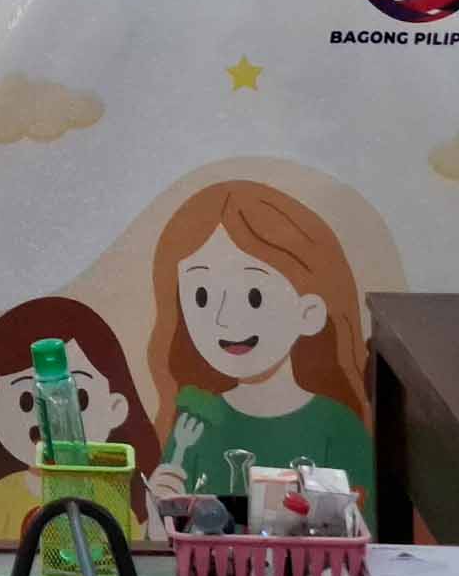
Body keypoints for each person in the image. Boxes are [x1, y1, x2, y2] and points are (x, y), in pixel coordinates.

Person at [144, 180, 374, 519]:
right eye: (201, 296)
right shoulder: (194, 426)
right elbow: (172, 533)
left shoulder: (338, 427)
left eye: (254, 296)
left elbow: (360, 532)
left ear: (308, 313)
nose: (223, 319)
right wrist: (159, 516)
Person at [0, 296, 160, 541]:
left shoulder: (109, 498)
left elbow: (126, 553)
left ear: (115, 406)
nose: (52, 420)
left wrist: (156, 526)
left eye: (81, 398)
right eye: (26, 401)